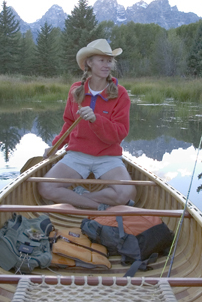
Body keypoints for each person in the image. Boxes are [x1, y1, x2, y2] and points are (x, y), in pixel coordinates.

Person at [37, 39, 136, 210]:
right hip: (77, 155)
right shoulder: (76, 90)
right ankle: (98, 207)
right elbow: (69, 123)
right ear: (89, 63)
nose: (107, 65)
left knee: (128, 193)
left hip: (108, 156)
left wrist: (96, 120)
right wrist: (54, 146)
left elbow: (120, 133)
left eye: (109, 61)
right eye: (101, 60)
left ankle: (80, 198)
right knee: (45, 186)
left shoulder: (120, 93)